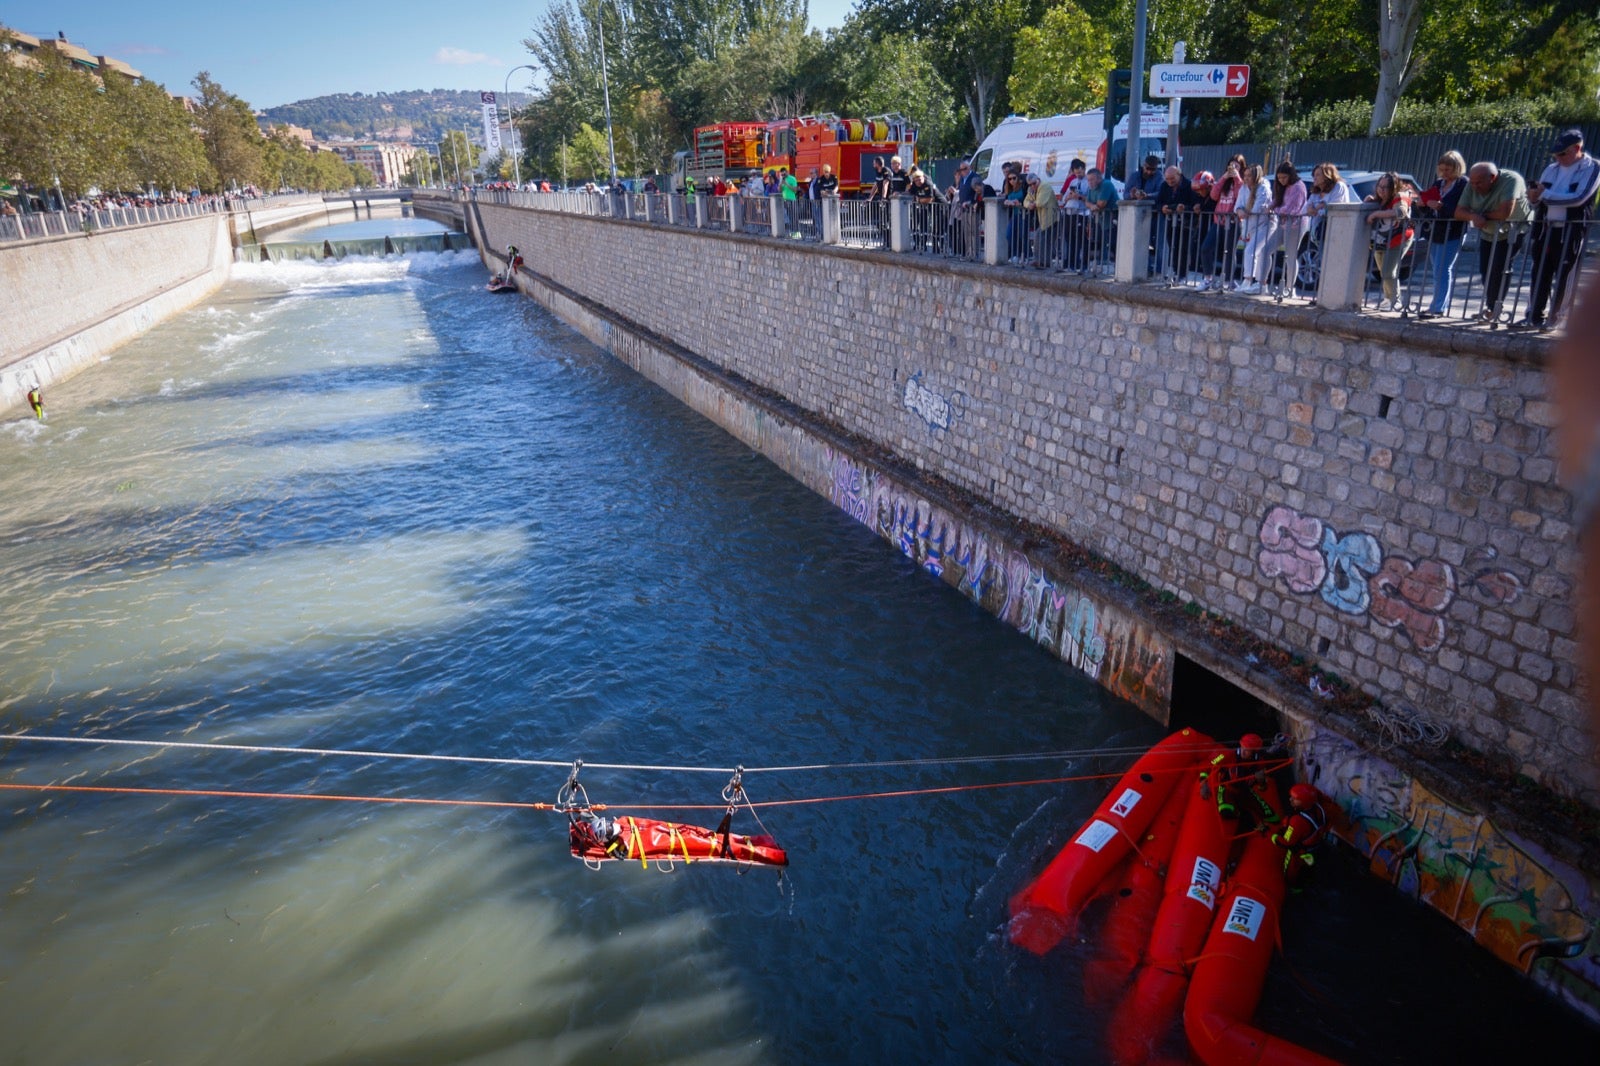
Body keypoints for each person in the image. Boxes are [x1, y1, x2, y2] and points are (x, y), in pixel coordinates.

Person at [1522, 129, 1599, 330]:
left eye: (1563, 153)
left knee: (1565, 274)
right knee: (1539, 271)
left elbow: (1579, 198)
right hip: (1545, 229)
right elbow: (1538, 199)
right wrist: (1533, 198)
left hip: (1570, 231)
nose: (1558, 157)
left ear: (1577, 148)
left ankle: (1556, 317)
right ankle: (1533, 315)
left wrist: (1544, 194)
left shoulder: (1593, 168)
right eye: (1556, 153)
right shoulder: (1551, 169)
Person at [1456, 161, 1530, 324]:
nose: (1474, 186)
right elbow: (1459, 211)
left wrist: (1481, 215)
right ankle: (1490, 308)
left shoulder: (1511, 180)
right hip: (1489, 232)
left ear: (1493, 178)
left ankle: (1495, 308)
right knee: (1485, 270)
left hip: (1513, 230)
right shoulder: (1473, 183)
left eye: (1479, 183)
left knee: (1500, 268)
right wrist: (1473, 217)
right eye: (1472, 182)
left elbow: (1504, 212)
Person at [1411, 151, 1469, 319]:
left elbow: (1461, 209)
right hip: (1435, 231)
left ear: (1457, 168)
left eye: (1448, 169)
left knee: (1443, 269)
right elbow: (1428, 205)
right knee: (1437, 270)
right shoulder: (1439, 182)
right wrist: (1422, 204)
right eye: (1442, 169)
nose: (1444, 173)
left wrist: (1440, 207)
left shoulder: (1463, 184)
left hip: (1452, 232)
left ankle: (1438, 308)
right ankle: (1436, 305)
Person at [1366, 172, 1414, 311]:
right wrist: (1368, 201)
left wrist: (1376, 214)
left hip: (1399, 238)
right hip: (1381, 240)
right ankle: (1389, 299)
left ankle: (1395, 301)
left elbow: (1400, 212)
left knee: (1388, 271)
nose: (1381, 190)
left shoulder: (1400, 196)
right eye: (1379, 186)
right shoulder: (1378, 199)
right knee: (1384, 272)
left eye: (1386, 187)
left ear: (1393, 187)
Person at [1270, 783, 1332, 887]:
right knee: (1307, 871)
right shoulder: (1319, 808)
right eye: (1291, 797)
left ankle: (1294, 890)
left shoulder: (1297, 821)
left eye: (1295, 799)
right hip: (1314, 847)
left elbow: (1287, 842)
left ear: (1304, 802)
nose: (1290, 800)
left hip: (1300, 853)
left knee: (1291, 874)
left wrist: (1273, 836)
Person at [1199, 733, 1267, 823]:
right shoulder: (1227, 755)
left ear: (1254, 752)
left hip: (1244, 791)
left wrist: (1261, 781)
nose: (1243, 751)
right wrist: (1204, 784)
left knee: (1262, 814)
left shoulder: (1260, 763)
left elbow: (1263, 788)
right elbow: (1207, 767)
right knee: (1226, 811)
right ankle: (1241, 817)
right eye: (1242, 747)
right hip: (1227, 788)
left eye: (1247, 750)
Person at [1270, 160, 1308, 299]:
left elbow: (1292, 209)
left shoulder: (1299, 187)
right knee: (1266, 249)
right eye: (1279, 178)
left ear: (1291, 175)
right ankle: (1261, 283)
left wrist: (1275, 210)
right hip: (1283, 224)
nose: (1281, 180)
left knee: (1290, 256)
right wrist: (1270, 206)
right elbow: (1278, 201)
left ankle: (1290, 288)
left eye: (1284, 177)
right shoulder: (1283, 186)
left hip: (1295, 225)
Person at [1152, 165, 1197, 280]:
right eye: (1167, 179)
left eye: (1172, 179)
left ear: (1179, 175)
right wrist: (1162, 208)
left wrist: (1184, 208)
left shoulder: (1189, 185)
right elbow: (1158, 202)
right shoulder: (1164, 186)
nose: (1170, 181)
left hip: (1186, 223)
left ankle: (1182, 274)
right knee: (1173, 247)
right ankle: (1176, 272)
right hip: (1171, 222)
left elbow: (1195, 205)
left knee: (1184, 248)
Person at [1234, 165, 1272, 294]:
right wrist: (1239, 210)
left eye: (1249, 176)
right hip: (1251, 225)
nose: (1246, 179)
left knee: (1251, 250)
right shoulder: (1243, 188)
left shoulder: (1263, 187)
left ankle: (1248, 280)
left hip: (1265, 224)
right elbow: (1238, 205)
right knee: (1261, 253)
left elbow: (1258, 208)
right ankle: (1260, 285)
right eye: (1245, 176)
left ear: (1256, 176)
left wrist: (1245, 211)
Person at [1081, 167, 1118, 272]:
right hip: (1100, 219)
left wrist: (1094, 206)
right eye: (1088, 180)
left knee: (1112, 242)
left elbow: (1102, 203)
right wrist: (1093, 206)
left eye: (1092, 179)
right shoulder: (1091, 188)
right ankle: (1100, 264)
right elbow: (1087, 202)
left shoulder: (1106, 184)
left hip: (1112, 217)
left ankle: (1113, 265)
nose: (1090, 182)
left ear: (1099, 178)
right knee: (1099, 240)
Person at [1001, 171, 1029, 263]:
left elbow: (1027, 199)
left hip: (1022, 214)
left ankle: (1024, 256)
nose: (1012, 180)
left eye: (1014, 178)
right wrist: (1007, 202)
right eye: (1009, 179)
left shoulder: (1023, 187)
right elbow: (1005, 199)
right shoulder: (1008, 189)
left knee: (1022, 235)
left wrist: (1019, 203)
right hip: (1013, 214)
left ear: (1018, 178)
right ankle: (1014, 254)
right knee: (1009, 234)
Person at [781, 167, 800, 238]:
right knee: (788, 218)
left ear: (787, 172)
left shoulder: (792, 179)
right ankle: (791, 232)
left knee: (794, 217)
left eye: (784, 174)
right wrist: (781, 184)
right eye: (782, 174)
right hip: (785, 200)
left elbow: (795, 190)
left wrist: (786, 184)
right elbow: (780, 190)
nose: (783, 175)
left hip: (792, 200)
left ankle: (797, 233)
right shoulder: (782, 180)